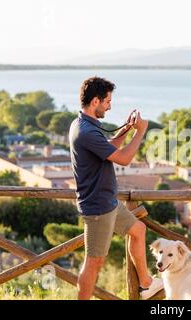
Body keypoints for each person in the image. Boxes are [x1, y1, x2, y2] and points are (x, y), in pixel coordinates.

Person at [69, 76, 162, 300]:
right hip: (98, 207)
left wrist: (127, 129)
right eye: (107, 101)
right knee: (94, 262)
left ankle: (146, 283)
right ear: (95, 102)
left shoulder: (84, 124)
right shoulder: (86, 131)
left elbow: (108, 148)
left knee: (138, 230)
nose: (110, 106)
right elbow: (122, 159)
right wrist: (140, 132)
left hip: (109, 202)